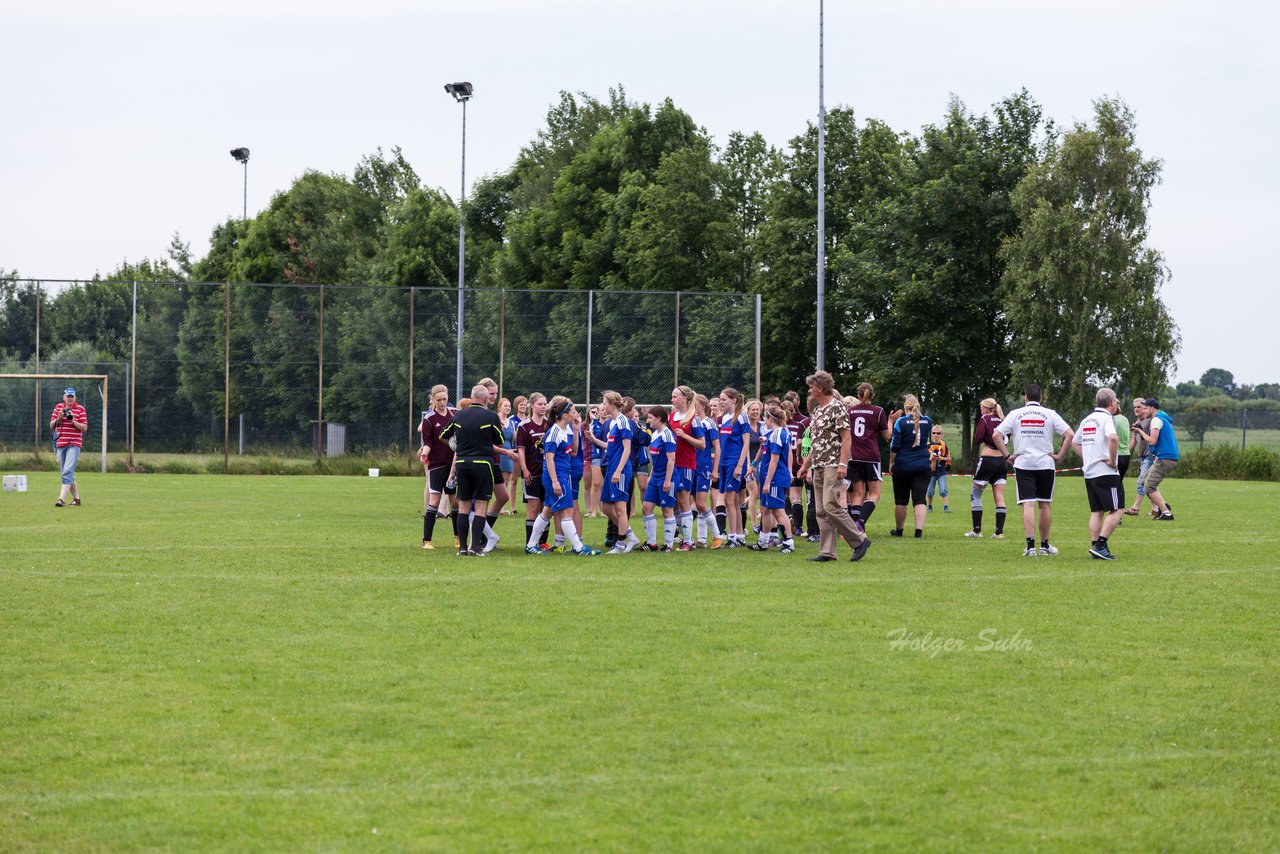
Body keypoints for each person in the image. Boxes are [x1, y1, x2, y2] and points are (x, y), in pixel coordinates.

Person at [992, 383, 1075, 556]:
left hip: (1024, 464)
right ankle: (1045, 545)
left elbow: (996, 435)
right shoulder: (1050, 414)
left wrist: (1008, 456)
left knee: (1028, 503)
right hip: (1045, 463)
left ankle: (1030, 547)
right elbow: (1070, 434)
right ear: (1041, 397)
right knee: (1044, 504)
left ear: (1025, 398)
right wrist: (1060, 455)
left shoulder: (1016, 414)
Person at [796, 371, 871, 562]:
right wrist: (806, 466)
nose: (810, 390)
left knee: (831, 505)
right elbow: (817, 443)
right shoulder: (818, 411)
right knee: (821, 510)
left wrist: (843, 464)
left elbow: (846, 438)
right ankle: (827, 552)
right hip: (819, 465)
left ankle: (859, 540)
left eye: (812, 386)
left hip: (834, 464)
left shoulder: (837, 408)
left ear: (820, 388)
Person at [437, 385, 518, 556]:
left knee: (464, 506)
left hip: (462, 463)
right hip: (483, 464)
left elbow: (443, 435)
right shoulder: (490, 416)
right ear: (484, 398)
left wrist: (457, 446)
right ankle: (475, 548)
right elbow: (500, 440)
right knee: (481, 506)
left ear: (473, 397)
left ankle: (462, 548)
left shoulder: (459, 414)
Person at [523, 397, 601, 556]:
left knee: (547, 511)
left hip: (562, 475)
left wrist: (577, 430)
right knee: (567, 512)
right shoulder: (554, 432)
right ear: (565, 415)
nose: (576, 414)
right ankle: (579, 548)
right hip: (557, 477)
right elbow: (549, 458)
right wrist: (555, 482)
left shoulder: (565, 429)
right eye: (573, 412)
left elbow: (573, 451)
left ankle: (531, 545)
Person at [1073, 388, 1125, 560]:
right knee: (1117, 509)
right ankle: (1101, 545)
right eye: (1116, 401)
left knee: (1097, 511)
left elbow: (1075, 442)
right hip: (1106, 472)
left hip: (1090, 472)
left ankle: (1095, 546)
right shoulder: (1106, 418)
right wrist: (1112, 460)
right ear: (1111, 403)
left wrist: (1088, 458)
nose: (1117, 403)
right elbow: (1113, 438)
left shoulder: (1087, 419)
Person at [846, 382, 892, 533]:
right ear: (873, 395)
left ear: (858, 395)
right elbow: (887, 436)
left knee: (858, 495)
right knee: (874, 494)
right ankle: (860, 523)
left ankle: (854, 530)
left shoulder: (850, 411)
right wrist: (891, 421)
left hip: (853, 457)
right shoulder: (878, 411)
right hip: (870, 457)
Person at [887, 395, 935, 538]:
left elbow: (894, 446)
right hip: (923, 464)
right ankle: (918, 531)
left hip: (903, 465)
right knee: (920, 499)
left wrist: (891, 463)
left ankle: (899, 530)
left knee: (901, 500)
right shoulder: (927, 421)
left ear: (905, 407)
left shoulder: (900, 422)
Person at [750, 403, 795, 552]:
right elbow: (765, 450)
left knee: (778, 511)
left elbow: (774, 460)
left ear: (770, 418)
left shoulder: (777, 434)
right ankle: (763, 542)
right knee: (766, 509)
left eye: (765, 418)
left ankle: (789, 543)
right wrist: (754, 464)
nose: (764, 421)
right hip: (769, 476)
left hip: (774, 478)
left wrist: (767, 483)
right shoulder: (775, 434)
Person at [600, 391, 640, 554]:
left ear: (611, 404)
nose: (603, 406)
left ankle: (620, 545)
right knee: (606, 508)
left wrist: (618, 471)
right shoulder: (612, 422)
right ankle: (631, 536)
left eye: (604, 403)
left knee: (620, 508)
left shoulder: (623, 422)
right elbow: (611, 447)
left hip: (621, 471)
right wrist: (594, 440)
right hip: (611, 470)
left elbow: (627, 448)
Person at [417, 384, 457, 549]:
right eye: (439, 400)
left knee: (455, 502)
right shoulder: (429, 418)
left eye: (444, 399)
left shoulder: (454, 415)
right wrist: (424, 453)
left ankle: (458, 539)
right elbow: (427, 442)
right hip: (436, 465)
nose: (442, 402)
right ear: (433, 399)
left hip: (453, 465)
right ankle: (427, 541)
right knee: (434, 500)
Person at [668, 386, 708, 551]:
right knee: (674, 502)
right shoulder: (671, 416)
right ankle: (682, 535)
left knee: (684, 502)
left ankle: (688, 541)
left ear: (684, 399)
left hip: (686, 465)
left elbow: (702, 444)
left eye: (675, 396)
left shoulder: (694, 418)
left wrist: (685, 436)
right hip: (671, 464)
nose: (672, 400)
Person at [966, 398, 1009, 539]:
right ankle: (999, 532)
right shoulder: (1003, 419)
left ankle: (977, 530)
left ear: (986, 408)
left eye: (981, 408)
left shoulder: (985, 418)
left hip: (987, 461)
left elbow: (978, 439)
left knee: (975, 494)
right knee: (1000, 498)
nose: (980, 410)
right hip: (1002, 462)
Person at [639, 405, 679, 551]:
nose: (648, 421)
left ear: (659, 418)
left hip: (666, 477)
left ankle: (668, 545)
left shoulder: (667, 434)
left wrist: (667, 480)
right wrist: (651, 475)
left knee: (667, 510)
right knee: (646, 507)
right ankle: (651, 543)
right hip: (655, 476)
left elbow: (671, 460)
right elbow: (655, 459)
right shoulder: (655, 433)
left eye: (651, 418)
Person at [1133, 398, 1178, 521]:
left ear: (1152, 408)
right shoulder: (1163, 419)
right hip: (1164, 456)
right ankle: (1163, 505)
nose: (1144, 410)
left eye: (1146, 408)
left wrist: (1140, 432)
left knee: (1149, 487)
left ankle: (1166, 513)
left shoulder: (1156, 420)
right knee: (1143, 482)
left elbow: (1152, 440)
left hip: (1165, 458)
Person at [717, 388, 752, 547]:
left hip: (735, 462)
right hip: (725, 462)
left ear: (734, 400)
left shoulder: (742, 417)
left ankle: (732, 537)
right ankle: (739, 535)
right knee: (734, 500)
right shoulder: (724, 418)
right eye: (720, 399)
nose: (721, 402)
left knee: (729, 499)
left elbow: (746, 443)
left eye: (724, 399)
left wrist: (740, 465)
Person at [516, 392, 550, 550]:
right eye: (540, 404)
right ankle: (530, 543)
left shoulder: (549, 424)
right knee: (533, 507)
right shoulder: (524, 426)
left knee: (545, 508)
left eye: (545, 404)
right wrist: (524, 469)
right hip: (531, 473)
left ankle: (542, 543)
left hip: (547, 473)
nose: (543, 407)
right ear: (532, 406)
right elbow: (521, 450)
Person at [693, 393, 725, 548]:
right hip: (692, 467)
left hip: (704, 467)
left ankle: (717, 536)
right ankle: (702, 539)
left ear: (702, 406)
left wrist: (715, 469)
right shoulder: (693, 422)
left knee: (700, 503)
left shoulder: (709, 424)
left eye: (695, 403)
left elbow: (717, 448)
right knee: (697, 504)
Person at [50, 387, 88, 507]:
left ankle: (61, 499)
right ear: (64, 397)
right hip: (61, 443)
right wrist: (60, 418)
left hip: (74, 444)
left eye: (72, 396)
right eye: (68, 396)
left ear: (75, 397)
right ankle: (77, 499)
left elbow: (84, 427)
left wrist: (72, 421)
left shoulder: (80, 409)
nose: (70, 399)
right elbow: (51, 426)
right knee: (66, 473)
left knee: (67, 471)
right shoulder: (58, 407)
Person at [1124, 398, 1154, 517]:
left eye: (1139, 407)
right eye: (1134, 407)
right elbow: (1133, 441)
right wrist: (1124, 453)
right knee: (1149, 483)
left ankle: (1135, 508)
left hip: (1150, 456)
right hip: (1142, 457)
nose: (1136, 409)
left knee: (1141, 481)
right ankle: (1157, 507)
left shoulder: (1151, 421)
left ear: (1145, 407)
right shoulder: (1137, 423)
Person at [498, 397, 519, 514]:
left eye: (509, 406)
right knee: (496, 481)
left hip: (508, 452)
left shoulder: (511, 422)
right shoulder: (495, 419)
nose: (507, 408)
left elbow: (513, 438)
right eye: (505, 406)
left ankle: (501, 508)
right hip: (497, 451)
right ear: (500, 407)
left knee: (505, 481)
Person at [927, 425, 951, 512]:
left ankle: (946, 508)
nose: (936, 435)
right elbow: (923, 458)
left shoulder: (944, 445)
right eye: (934, 433)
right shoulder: (928, 445)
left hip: (941, 471)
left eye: (938, 433)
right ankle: (929, 507)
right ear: (931, 434)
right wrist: (930, 459)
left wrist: (942, 458)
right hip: (930, 472)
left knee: (943, 489)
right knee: (930, 491)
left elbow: (948, 458)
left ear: (941, 434)